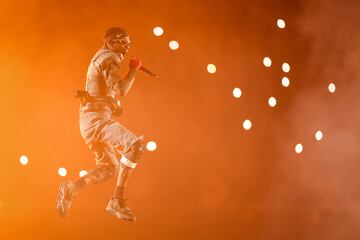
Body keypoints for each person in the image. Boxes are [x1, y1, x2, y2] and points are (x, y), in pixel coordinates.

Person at [56, 27, 144, 222]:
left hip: (91, 119)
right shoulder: (109, 58)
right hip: (96, 120)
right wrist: (133, 70)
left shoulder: (104, 57)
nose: (127, 45)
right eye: (122, 41)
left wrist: (111, 104)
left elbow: (104, 93)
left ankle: (73, 187)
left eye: (128, 41)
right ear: (110, 43)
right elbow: (120, 89)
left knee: (108, 168)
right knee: (135, 145)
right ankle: (117, 201)